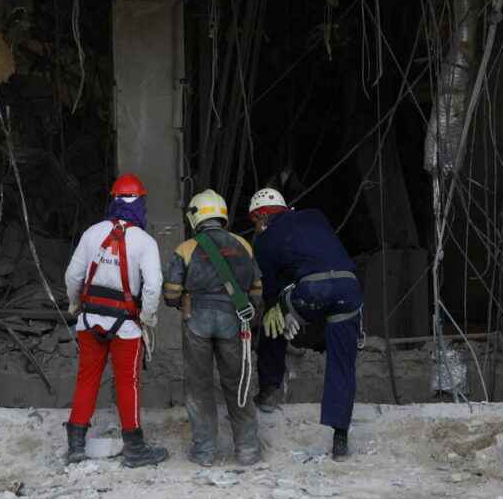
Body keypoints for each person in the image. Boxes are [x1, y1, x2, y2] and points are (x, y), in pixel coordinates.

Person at [249, 188, 363, 461]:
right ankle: (340, 438)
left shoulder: (264, 240)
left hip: (312, 292)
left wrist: (277, 307)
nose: (256, 227)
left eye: (254, 221)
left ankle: (270, 389)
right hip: (349, 288)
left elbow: (270, 287)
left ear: (262, 215)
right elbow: (319, 249)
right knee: (343, 363)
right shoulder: (315, 215)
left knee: (272, 322)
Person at [63, 173, 168, 468]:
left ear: (114, 201)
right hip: (127, 326)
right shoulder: (144, 241)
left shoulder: (91, 233)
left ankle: (75, 447)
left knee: (87, 379)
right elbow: (153, 285)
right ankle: (134, 450)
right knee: (128, 383)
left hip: (89, 321)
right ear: (141, 204)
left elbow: (73, 276)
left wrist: (75, 304)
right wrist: (147, 317)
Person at [163, 189, 263, 467]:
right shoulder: (244, 244)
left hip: (198, 320)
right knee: (238, 383)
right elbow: (257, 291)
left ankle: (205, 452)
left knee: (199, 387)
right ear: (222, 214)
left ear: (195, 216)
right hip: (234, 320)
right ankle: (247, 450)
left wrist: (180, 300)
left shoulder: (186, 248)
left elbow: (171, 293)